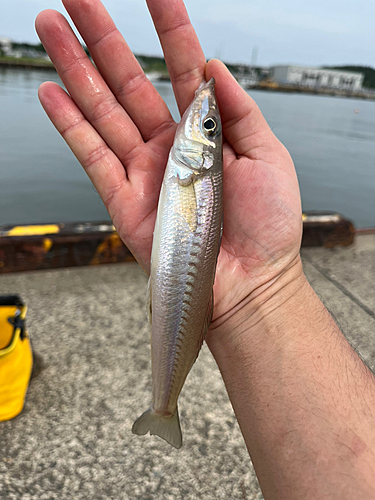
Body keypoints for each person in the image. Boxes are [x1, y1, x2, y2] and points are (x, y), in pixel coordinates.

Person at [35, 0, 375, 497]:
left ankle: (163, 406)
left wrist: (266, 284)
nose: (203, 122)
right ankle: (163, 402)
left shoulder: (196, 169)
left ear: (205, 148)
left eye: (208, 129)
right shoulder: (190, 166)